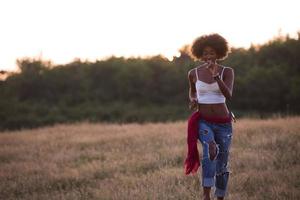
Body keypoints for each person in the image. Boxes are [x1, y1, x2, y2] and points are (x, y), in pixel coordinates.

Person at [187, 33, 235, 200]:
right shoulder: (193, 73)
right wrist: (193, 99)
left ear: (219, 54)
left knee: (222, 161)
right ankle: (206, 195)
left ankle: (220, 196)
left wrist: (216, 76)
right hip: (204, 121)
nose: (208, 56)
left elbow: (228, 95)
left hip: (224, 123)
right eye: (205, 53)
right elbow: (193, 91)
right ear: (200, 54)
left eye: (212, 53)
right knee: (210, 150)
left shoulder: (227, 72)